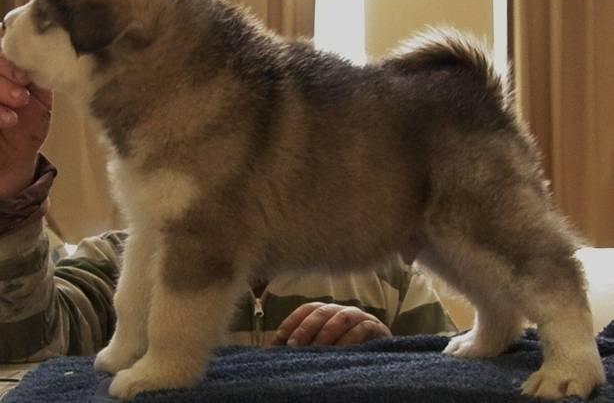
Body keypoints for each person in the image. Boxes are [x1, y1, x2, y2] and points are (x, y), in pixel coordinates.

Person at [0, 54, 455, 366]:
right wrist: (12, 171)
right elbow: (25, 348)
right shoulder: (112, 265)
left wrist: (386, 355)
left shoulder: (385, 273)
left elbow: (462, 376)